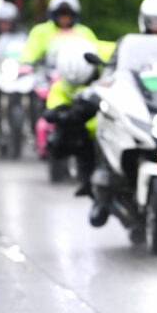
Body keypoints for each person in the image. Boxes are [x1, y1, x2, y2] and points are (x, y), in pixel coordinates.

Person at [89, 0, 157, 225]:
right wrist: (100, 88)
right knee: (100, 123)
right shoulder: (128, 45)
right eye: (156, 22)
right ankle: (100, 193)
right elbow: (111, 73)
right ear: (145, 20)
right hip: (140, 109)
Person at [44, 37, 115, 197]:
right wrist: (59, 113)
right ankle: (87, 180)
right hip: (91, 119)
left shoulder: (109, 51)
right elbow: (56, 100)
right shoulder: (63, 82)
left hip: (116, 104)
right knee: (68, 128)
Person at [19, 0, 97, 70]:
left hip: (78, 74)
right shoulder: (41, 31)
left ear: (74, 16)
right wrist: (27, 64)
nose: (64, 18)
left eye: (68, 14)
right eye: (60, 14)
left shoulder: (84, 32)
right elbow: (30, 52)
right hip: (48, 75)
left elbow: (96, 51)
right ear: (54, 15)